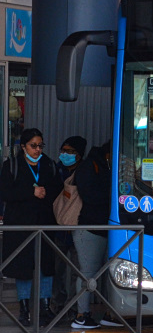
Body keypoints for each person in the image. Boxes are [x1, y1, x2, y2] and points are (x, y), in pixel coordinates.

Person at [0, 128, 62, 326]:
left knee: (45, 265)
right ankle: (24, 308)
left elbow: (57, 187)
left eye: (40, 146)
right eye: (33, 146)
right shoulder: (12, 165)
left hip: (45, 223)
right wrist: (31, 192)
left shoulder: (48, 164)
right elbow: (6, 192)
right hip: (20, 225)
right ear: (23, 146)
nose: (37, 150)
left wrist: (44, 192)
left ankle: (45, 307)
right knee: (23, 268)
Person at [72, 140, 121, 329]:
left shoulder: (105, 166)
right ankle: (81, 315)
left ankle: (111, 313)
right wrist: (111, 195)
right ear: (109, 153)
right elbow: (89, 195)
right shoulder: (89, 166)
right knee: (88, 273)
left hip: (106, 228)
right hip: (89, 228)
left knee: (108, 273)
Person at [51, 135, 87, 317]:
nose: (65, 154)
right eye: (63, 151)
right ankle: (56, 303)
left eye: (70, 152)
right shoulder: (55, 170)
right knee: (56, 269)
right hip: (58, 228)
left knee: (76, 271)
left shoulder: (85, 172)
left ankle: (73, 307)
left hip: (77, 229)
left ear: (79, 155)